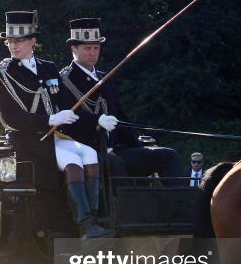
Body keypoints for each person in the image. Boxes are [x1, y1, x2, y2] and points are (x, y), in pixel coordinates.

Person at [0, 11, 112, 238]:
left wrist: (96, 119)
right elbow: (8, 118)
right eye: (10, 41)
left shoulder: (48, 67)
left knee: (90, 155)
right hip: (28, 141)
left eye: (19, 41)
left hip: (55, 137)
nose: (14, 46)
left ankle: (94, 218)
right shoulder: (5, 72)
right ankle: (85, 226)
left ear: (33, 42)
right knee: (73, 162)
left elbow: (67, 103)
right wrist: (48, 120)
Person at [58, 18, 184, 185]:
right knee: (116, 166)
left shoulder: (104, 77)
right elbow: (68, 119)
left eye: (96, 48)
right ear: (73, 48)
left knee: (167, 155)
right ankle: (126, 211)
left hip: (118, 149)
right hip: (89, 153)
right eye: (87, 48)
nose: (93, 53)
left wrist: (137, 146)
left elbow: (120, 116)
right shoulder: (64, 81)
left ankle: (181, 206)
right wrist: (96, 121)